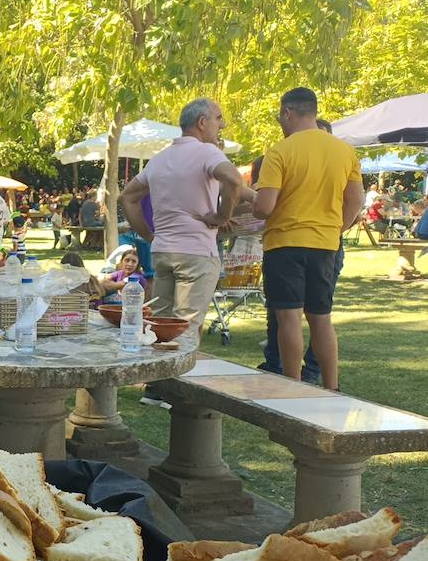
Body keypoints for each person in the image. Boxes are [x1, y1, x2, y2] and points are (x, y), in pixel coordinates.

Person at [252, 88, 362, 391]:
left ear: (287, 113)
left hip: (284, 243)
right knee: (321, 318)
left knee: (288, 318)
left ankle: (293, 385)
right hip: (325, 244)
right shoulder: (344, 151)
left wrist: (251, 199)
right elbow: (355, 199)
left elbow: (264, 207)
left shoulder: (279, 151)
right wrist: (335, 228)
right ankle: (332, 386)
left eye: (279, 116)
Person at [120, 98, 251, 339]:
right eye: (218, 118)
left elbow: (127, 196)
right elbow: (233, 180)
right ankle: (178, 375)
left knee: (159, 327)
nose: (221, 126)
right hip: (197, 253)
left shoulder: (160, 158)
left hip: (162, 252)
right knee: (185, 331)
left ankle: (157, 377)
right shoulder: (207, 152)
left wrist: (149, 235)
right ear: (202, 122)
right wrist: (222, 216)